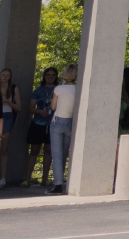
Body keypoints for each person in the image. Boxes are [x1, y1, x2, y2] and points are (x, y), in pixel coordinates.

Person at [25, 68, 57, 186]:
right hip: (38, 124)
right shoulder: (38, 90)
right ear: (44, 76)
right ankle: (27, 179)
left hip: (52, 124)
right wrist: (39, 112)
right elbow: (30, 108)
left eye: (53, 75)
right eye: (48, 75)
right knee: (34, 151)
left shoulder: (58, 90)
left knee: (48, 151)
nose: (50, 77)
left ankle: (45, 179)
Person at [50, 65, 79, 195]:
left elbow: (53, 106)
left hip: (58, 120)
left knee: (57, 153)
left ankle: (57, 183)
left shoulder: (59, 88)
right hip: (71, 121)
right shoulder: (78, 88)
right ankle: (62, 180)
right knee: (65, 152)